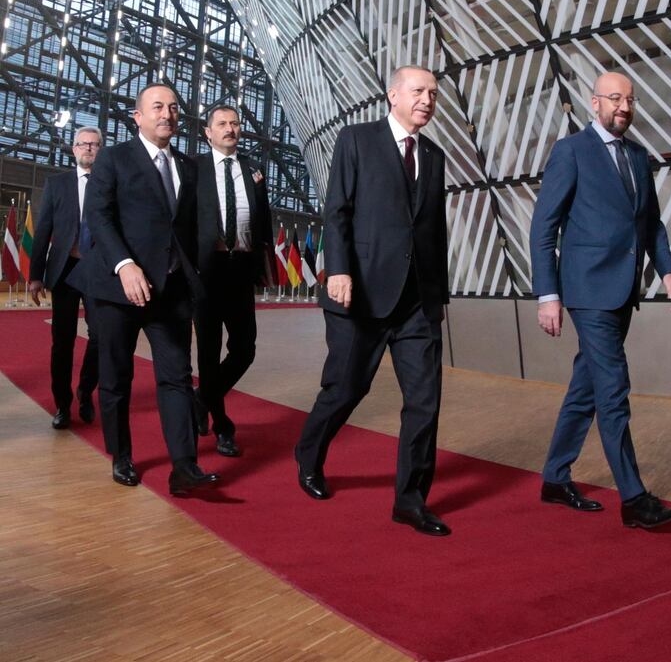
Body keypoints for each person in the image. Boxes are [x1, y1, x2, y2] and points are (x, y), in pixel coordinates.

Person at [295, 66, 451, 536]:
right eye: (419, 91)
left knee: (425, 401)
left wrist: (438, 295)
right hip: (359, 292)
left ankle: (410, 500)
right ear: (393, 94)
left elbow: (432, 232)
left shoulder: (435, 156)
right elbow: (337, 209)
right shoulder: (357, 139)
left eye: (433, 93)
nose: (427, 99)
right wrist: (338, 268)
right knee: (347, 388)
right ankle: (309, 453)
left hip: (418, 303)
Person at [531, 70, 671, 530]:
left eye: (630, 100)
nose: (623, 107)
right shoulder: (571, 151)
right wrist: (548, 294)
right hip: (586, 291)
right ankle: (635, 499)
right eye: (614, 99)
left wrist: (668, 268)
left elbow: (650, 222)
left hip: (624, 289)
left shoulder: (638, 156)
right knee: (613, 387)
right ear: (593, 103)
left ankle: (555, 478)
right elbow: (544, 228)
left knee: (588, 386)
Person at [71, 84, 219, 496]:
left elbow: (187, 231)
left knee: (176, 378)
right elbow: (98, 217)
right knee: (116, 378)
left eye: (173, 108)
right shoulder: (114, 159)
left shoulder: (189, 168)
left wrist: (193, 278)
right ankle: (120, 455)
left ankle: (185, 468)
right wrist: (125, 264)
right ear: (137, 117)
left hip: (169, 293)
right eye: (157, 107)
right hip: (117, 289)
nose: (167, 114)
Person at [193, 104, 275, 457]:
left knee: (244, 349)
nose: (230, 128)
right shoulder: (192, 169)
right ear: (207, 131)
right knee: (208, 354)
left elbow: (264, 223)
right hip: (206, 271)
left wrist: (264, 267)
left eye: (235, 123)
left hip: (240, 269)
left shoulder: (254, 170)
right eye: (222, 123)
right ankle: (223, 426)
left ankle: (201, 400)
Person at [29, 127, 103, 429]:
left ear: (101, 149)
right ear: (73, 149)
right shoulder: (56, 184)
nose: (89, 149)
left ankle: (86, 391)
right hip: (65, 270)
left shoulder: (110, 184)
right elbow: (43, 229)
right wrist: (35, 276)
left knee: (100, 337)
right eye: (83, 144)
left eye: (95, 145)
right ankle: (62, 404)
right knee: (63, 341)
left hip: (99, 270)